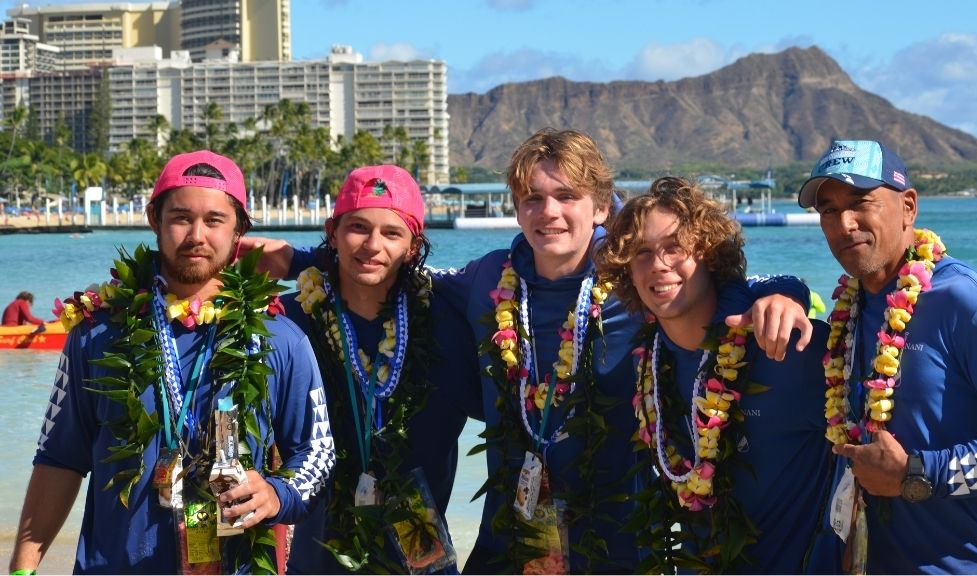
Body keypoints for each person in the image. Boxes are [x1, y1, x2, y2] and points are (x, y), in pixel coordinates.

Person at [239, 128, 814, 573]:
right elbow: (392, 267)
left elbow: (714, 284)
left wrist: (784, 292)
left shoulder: (638, 279)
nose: (550, 212)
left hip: (620, 550)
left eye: (567, 196)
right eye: (533, 198)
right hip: (506, 546)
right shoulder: (485, 279)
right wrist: (301, 260)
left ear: (601, 207)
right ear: (517, 209)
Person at [8, 150, 335, 574]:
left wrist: (276, 494)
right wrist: (21, 569)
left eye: (215, 220)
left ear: (240, 231)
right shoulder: (97, 334)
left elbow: (317, 453)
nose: (197, 235)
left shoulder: (281, 338)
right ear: (154, 220)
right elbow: (59, 459)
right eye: (181, 217)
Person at [593, 177, 840, 573]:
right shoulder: (646, 368)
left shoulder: (787, 348)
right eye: (641, 252)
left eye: (674, 247)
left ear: (708, 254)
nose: (658, 264)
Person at [799, 140, 977, 573]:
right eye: (828, 210)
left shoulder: (969, 304)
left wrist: (915, 474)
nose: (844, 224)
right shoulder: (851, 309)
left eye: (862, 202)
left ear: (908, 206)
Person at [282, 165, 479, 574]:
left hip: (422, 557)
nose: (372, 245)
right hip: (317, 558)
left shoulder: (450, 323)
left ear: (413, 246)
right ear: (332, 232)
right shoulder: (289, 320)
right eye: (357, 227)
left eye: (392, 233)